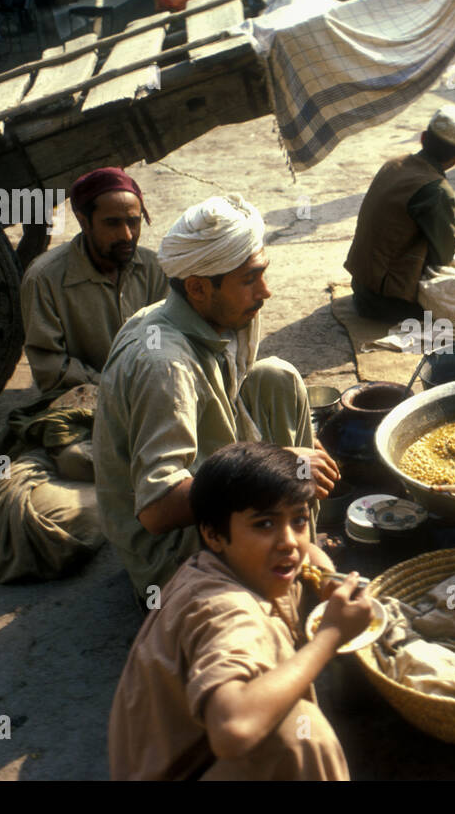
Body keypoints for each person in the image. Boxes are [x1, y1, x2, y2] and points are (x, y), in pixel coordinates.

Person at [93, 194, 339, 606]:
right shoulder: (165, 365)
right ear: (198, 287)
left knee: (276, 377)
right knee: (287, 467)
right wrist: (277, 463)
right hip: (169, 555)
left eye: (262, 274)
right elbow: (155, 510)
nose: (267, 291)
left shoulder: (182, 313)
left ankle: (298, 542)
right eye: (249, 279)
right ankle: (287, 578)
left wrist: (290, 455)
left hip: (206, 479)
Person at [107, 442, 372, 780]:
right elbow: (234, 728)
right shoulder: (225, 610)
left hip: (180, 760)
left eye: (300, 520)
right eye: (264, 524)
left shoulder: (235, 562)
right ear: (213, 534)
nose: (289, 541)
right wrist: (330, 635)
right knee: (299, 735)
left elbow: (304, 554)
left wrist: (327, 580)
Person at [20, 168, 168, 395]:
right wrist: (115, 388)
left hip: (147, 393)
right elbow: (51, 368)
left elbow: (159, 338)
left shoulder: (155, 270)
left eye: (133, 222)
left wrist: (152, 377)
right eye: (112, 224)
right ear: (84, 222)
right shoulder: (44, 279)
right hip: (81, 400)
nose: (127, 235)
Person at [345, 104, 455, 323]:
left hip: (361, 287)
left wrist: (453, 243)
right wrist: (451, 242)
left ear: (423, 138)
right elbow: (442, 257)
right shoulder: (435, 190)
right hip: (386, 304)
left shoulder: (395, 163)